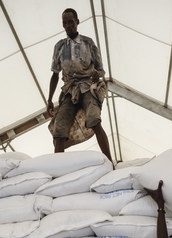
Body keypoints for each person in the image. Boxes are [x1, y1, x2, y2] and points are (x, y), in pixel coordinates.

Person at [47, 8, 112, 162]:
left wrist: (98, 74)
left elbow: (101, 69)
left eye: (70, 22)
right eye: (65, 23)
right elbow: (55, 74)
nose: (68, 25)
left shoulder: (88, 43)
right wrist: (49, 99)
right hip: (70, 91)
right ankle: (59, 170)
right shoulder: (60, 46)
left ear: (77, 21)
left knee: (94, 120)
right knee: (59, 129)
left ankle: (110, 162)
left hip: (88, 87)